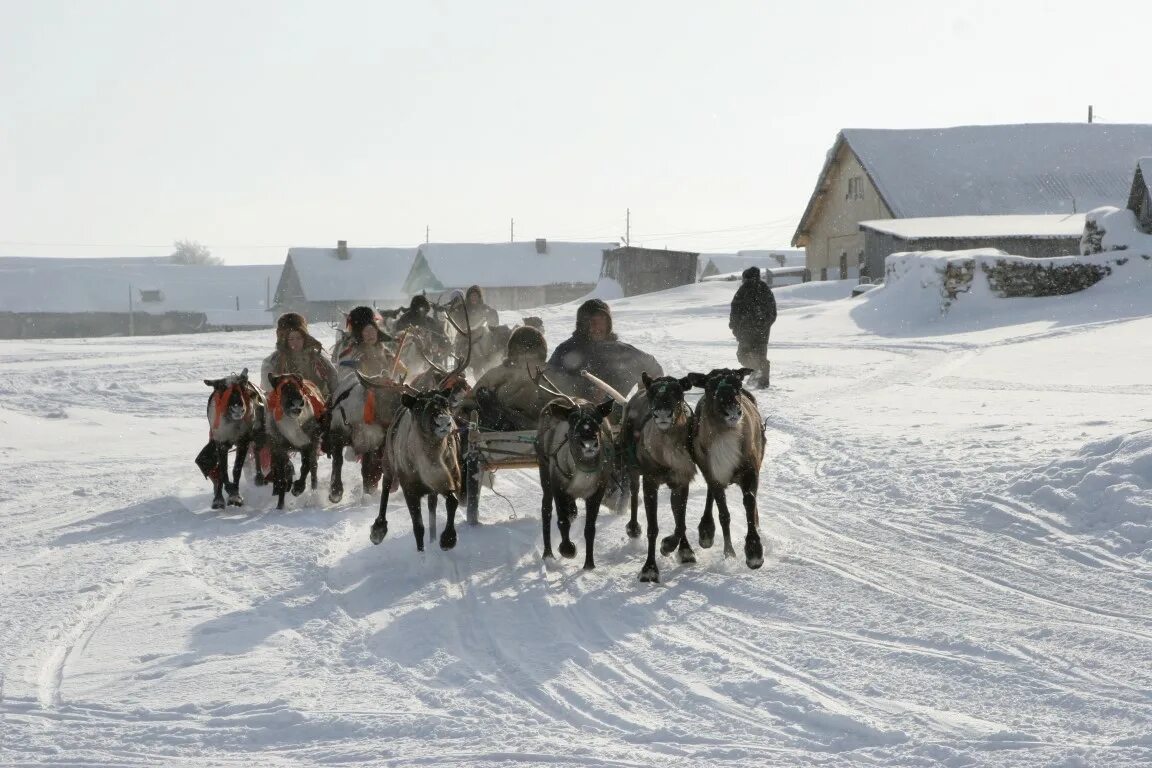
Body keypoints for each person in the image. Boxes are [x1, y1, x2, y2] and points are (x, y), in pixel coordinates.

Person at [546, 298, 663, 402]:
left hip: (615, 422)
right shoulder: (565, 350)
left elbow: (652, 367)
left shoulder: (622, 351)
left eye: (601, 321)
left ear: (608, 324)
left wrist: (642, 401)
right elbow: (547, 383)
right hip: (574, 419)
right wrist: (582, 393)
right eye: (589, 322)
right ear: (581, 325)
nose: (595, 328)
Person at [456, 325, 552, 430]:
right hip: (495, 432)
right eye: (521, 353)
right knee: (483, 396)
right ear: (513, 353)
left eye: (531, 355)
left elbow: (561, 403)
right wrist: (466, 412)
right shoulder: (498, 374)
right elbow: (470, 400)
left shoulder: (548, 375)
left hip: (538, 431)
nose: (525, 358)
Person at [260, 312, 339, 400]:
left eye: (299, 338)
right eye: (291, 339)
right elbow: (269, 387)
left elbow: (334, 381)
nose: (295, 342)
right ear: (284, 340)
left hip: (319, 405)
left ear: (304, 338)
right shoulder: (272, 362)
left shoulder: (318, 359)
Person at [728, 266, 777, 388]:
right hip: (762, 333)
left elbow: (735, 310)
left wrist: (735, 327)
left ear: (746, 278)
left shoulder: (743, 290)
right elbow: (773, 313)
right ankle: (762, 379)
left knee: (743, 355)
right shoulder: (765, 290)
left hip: (746, 331)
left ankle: (758, 370)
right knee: (759, 355)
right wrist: (764, 325)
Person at [333, 306, 401, 380]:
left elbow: (402, 373)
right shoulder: (350, 352)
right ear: (359, 334)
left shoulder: (384, 351)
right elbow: (345, 378)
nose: (370, 335)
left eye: (372, 330)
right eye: (366, 332)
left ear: (377, 331)